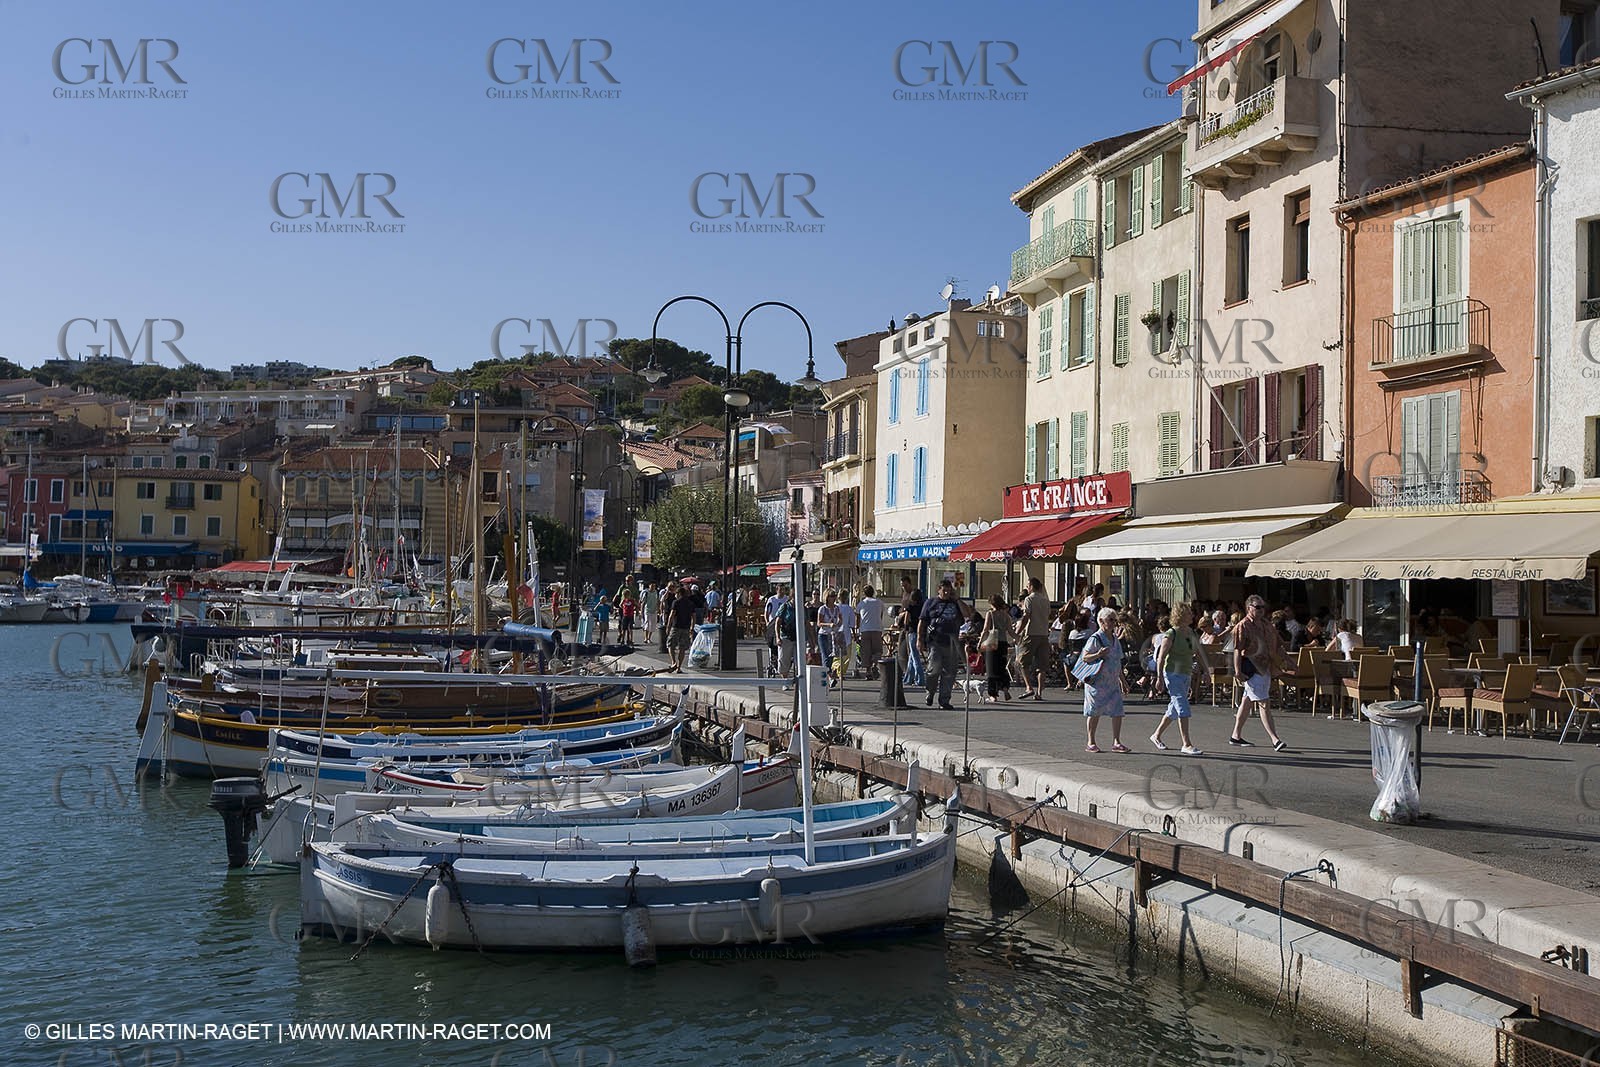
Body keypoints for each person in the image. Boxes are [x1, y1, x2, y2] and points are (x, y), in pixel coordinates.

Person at [1229, 594, 1289, 750]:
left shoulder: (1267, 625)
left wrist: (1290, 663)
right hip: (1252, 668)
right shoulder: (1243, 626)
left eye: (1263, 607)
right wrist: (1237, 670)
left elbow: (1278, 646)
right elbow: (1237, 650)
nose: (1261, 610)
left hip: (1265, 667)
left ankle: (1235, 735)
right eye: (1258, 607)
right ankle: (1275, 739)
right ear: (1249, 608)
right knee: (1264, 703)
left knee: (1247, 701)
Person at [1150, 603, 1208, 755]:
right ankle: (1186, 744)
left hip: (1186, 674)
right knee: (1182, 706)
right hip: (1172, 674)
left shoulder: (1191, 633)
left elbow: (1199, 654)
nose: (1192, 615)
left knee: (1174, 709)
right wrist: (1159, 678)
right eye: (1189, 613)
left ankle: (1156, 735)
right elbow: (1161, 658)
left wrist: (1206, 671)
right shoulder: (1171, 634)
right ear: (1181, 615)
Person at [1079, 607, 1129, 753]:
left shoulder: (1114, 639)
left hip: (1112, 682)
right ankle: (1091, 741)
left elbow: (1118, 662)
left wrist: (1123, 681)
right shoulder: (1095, 638)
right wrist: (1098, 654)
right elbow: (1085, 657)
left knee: (1117, 711)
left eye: (1114, 620)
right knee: (1094, 712)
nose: (1113, 623)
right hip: (1097, 683)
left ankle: (1117, 741)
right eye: (1110, 620)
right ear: (1101, 621)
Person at [917, 580, 967, 710]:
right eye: (944, 590)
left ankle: (944, 700)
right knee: (933, 670)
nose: (946, 593)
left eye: (949, 590)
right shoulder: (931, 602)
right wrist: (919, 639)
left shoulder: (955, 603)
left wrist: (958, 599)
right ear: (938, 590)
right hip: (935, 641)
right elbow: (922, 621)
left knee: (949, 673)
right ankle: (930, 692)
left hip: (951, 642)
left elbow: (968, 615)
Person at [1015, 577, 1052, 701]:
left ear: (1031, 586)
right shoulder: (1046, 600)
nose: (1027, 588)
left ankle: (1028, 687)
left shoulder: (1029, 599)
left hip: (1031, 633)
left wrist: (1018, 632)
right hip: (1044, 634)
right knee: (1042, 666)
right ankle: (1039, 692)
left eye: (1027, 585)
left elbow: (1027, 616)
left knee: (1022, 661)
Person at [978, 593, 1013, 703]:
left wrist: (980, 642)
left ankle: (993, 694)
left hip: (992, 643)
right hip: (1003, 643)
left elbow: (985, 629)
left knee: (991, 669)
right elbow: (1010, 631)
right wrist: (1018, 638)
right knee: (1001, 667)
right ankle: (1005, 687)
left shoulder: (990, 614)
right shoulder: (1006, 616)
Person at [665, 581, 704, 672]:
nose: (675, 595)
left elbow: (671, 615)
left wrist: (668, 626)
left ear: (679, 593)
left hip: (676, 626)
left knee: (670, 644)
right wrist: (692, 627)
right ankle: (679, 667)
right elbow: (693, 616)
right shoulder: (690, 603)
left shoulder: (676, 602)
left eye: (676, 594)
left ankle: (673, 662)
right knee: (682, 648)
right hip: (686, 628)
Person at [856, 585, 885, 680]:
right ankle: (874, 663)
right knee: (877, 650)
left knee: (866, 651)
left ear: (864, 593)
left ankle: (868, 671)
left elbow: (858, 617)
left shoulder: (861, 603)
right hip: (876, 629)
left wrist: (857, 629)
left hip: (865, 629)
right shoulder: (879, 602)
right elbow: (880, 615)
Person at [817, 588, 845, 687]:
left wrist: (838, 624)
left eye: (834, 596)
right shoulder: (823, 609)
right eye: (831, 596)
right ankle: (830, 677)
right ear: (827, 597)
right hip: (824, 634)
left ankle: (828, 675)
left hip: (833, 634)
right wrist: (829, 624)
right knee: (825, 656)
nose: (833, 598)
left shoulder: (837, 608)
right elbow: (819, 623)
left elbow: (841, 619)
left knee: (832, 656)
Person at [775, 592, 799, 677]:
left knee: (799, 661)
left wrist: (812, 640)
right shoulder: (785, 607)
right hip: (786, 637)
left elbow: (807, 624)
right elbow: (777, 623)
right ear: (792, 597)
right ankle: (785, 681)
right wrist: (778, 637)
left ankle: (799, 683)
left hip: (798, 638)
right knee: (784, 660)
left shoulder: (802, 608)